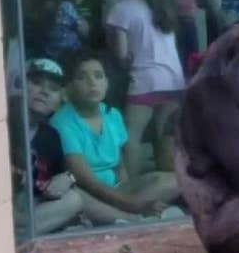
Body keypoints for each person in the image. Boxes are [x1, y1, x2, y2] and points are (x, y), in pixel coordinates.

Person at [50, 51, 180, 226]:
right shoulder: (62, 122)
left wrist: (127, 193)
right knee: (77, 198)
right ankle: (132, 218)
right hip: (88, 192)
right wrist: (134, 204)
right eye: (82, 77)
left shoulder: (112, 115)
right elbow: (86, 181)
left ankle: (118, 217)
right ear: (70, 87)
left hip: (115, 191)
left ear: (106, 83)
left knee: (175, 179)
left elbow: (120, 168)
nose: (92, 83)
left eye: (98, 76)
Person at [102, 0, 185, 178]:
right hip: (173, 79)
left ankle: (136, 188)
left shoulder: (121, 8)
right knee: (165, 137)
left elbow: (121, 54)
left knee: (132, 136)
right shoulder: (163, 5)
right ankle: (166, 187)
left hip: (145, 80)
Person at [9, 58, 84, 236]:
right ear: (20, 85)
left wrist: (68, 179)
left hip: (28, 212)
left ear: (60, 100)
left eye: (54, 89)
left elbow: (54, 184)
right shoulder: (0, 126)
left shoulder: (50, 137)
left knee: (73, 200)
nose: (44, 92)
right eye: (36, 83)